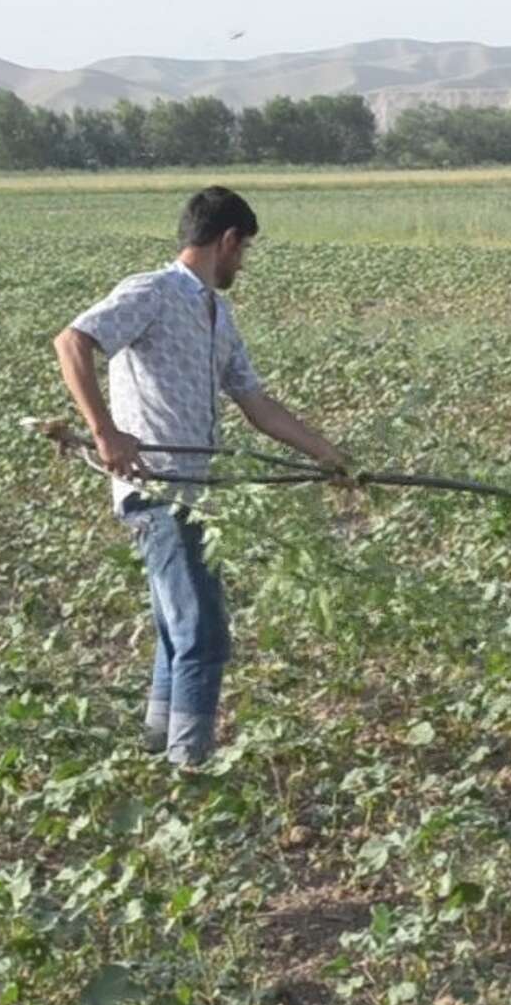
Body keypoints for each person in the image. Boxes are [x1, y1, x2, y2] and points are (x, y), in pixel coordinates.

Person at [53, 186, 352, 766]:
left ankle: (159, 742)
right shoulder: (153, 292)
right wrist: (105, 432)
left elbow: (256, 404)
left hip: (194, 493)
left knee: (178, 628)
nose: (243, 263)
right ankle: (190, 766)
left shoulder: (217, 312)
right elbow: (72, 342)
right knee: (204, 634)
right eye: (244, 251)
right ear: (228, 240)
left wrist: (329, 456)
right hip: (157, 489)